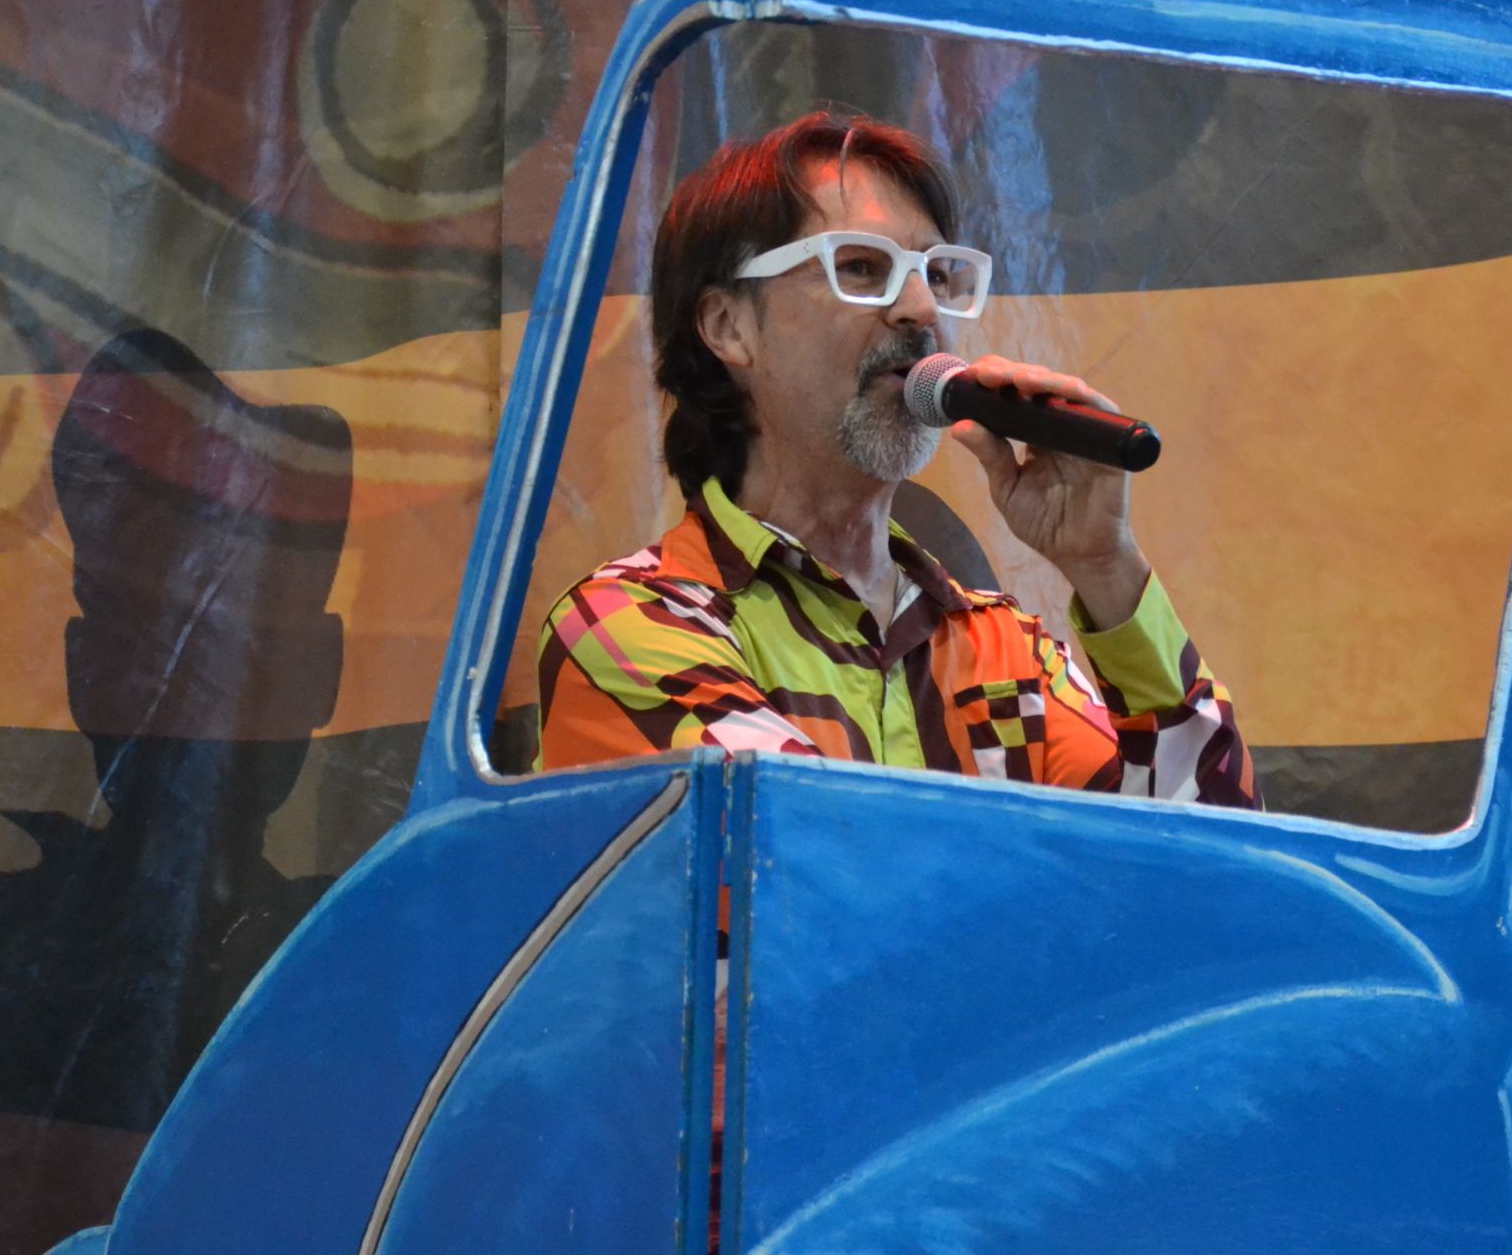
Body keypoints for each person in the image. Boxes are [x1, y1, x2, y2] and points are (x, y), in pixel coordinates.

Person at [535, 108, 1258, 809]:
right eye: (860, 266)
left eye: (938, 275)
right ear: (729, 326)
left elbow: (1207, 865)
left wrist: (1106, 568)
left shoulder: (1010, 653)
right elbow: (821, 865)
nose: (922, 308)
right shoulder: (630, 625)